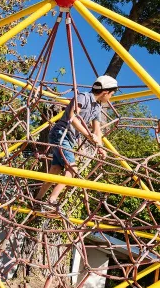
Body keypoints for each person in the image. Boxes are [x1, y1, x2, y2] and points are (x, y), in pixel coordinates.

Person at [35, 75, 118, 207]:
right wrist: (89, 135)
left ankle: (37, 200)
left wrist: (101, 148)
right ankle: (51, 201)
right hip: (61, 134)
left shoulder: (97, 108)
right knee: (72, 169)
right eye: (112, 94)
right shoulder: (83, 97)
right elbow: (72, 117)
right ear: (105, 92)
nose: (111, 98)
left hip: (70, 139)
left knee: (56, 169)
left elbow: (97, 131)